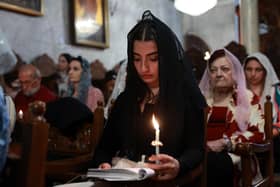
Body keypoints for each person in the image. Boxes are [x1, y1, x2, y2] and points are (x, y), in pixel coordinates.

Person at [93, 10, 206, 183]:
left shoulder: (186, 98)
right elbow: (104, 148)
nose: (143, 68)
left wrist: (178, 165)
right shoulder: (126, 100)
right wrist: (105, 165)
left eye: (153, 59)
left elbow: (196, 150)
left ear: (166, 58)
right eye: (137, 59)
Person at [199, 49, 265, 187]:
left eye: (224, 69)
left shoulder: (247, 98)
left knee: (215, 162)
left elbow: (258, 134)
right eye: (213, 70)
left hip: (238, 159)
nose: (218, 74)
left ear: (235, 73)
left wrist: (227, 142)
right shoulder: (201, 100)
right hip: (201, 156)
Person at [244, 52, 280, 172]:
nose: (253, 74)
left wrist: (272, 131)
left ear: (265, 71)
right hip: (246, 139)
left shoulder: (276, 91)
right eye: (249, 69)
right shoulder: (238, 92)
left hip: (274, 139)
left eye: (258, 70)